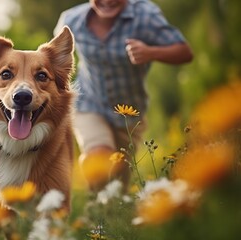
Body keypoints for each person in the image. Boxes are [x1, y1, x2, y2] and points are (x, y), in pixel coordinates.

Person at [54, 0, 193, 190]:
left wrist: (150, 52)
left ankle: (110, 212)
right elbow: (56, 59)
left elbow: (185, 52)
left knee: (119, 179)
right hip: (88, 103)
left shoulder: (145, 16)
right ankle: (97, 206)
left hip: (129, 112)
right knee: (99, 157)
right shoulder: (71, 21)